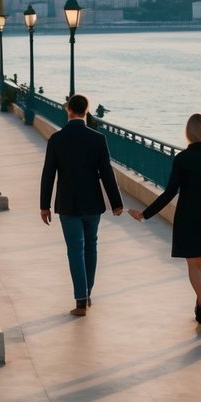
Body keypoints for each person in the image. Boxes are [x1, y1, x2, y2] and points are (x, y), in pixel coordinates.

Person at [129, 112, 201, 325]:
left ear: (189, 132)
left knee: (194, 263)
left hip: (188, 214)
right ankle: (200, 303)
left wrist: (145, 214)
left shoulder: (181, 159)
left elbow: (169, 193)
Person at [40, 92, 124, 316]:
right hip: (92, 202)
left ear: (68, 110)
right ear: (86, 111)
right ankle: (87, 292)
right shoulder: (97, 139)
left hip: (67, 203)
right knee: (91, 246)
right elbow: (107, 172)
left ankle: (80, 300)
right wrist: (116, 203)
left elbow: (48, 174)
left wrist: (44, 205)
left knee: (75, 250)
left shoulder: (56, 139)